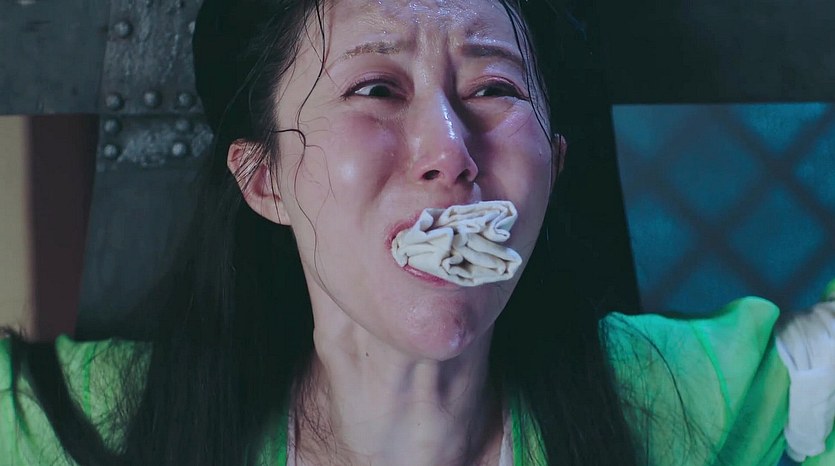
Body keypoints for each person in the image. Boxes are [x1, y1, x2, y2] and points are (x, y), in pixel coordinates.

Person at [2, 0, 834, 464]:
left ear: (551, 164)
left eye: (494, 88)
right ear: (264, 180)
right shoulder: (96, 426)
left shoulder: (683, 401)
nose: (449, 152)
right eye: (375, 89)